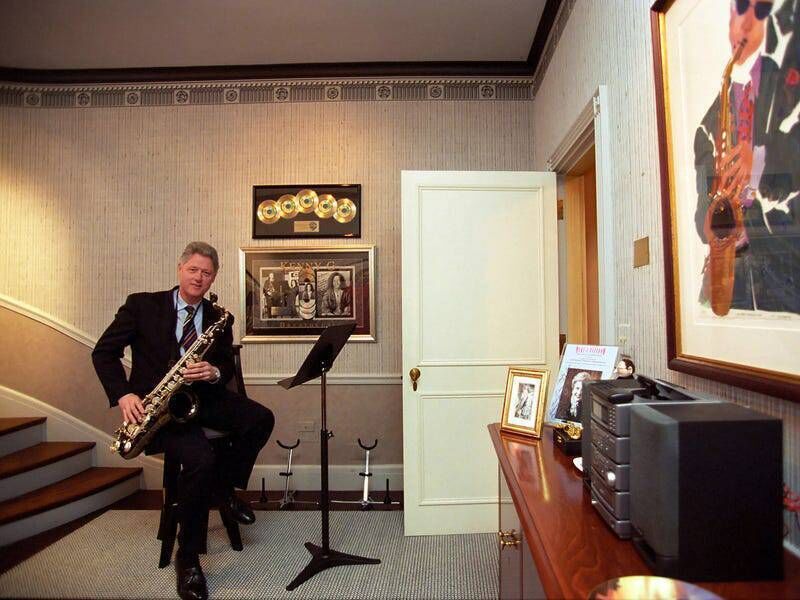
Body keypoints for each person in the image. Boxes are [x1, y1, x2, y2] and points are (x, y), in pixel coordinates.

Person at [92, 242, 275, 600]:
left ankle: (224, 489)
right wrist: (124, 395)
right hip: (161, 411)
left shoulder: (220, 317)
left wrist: (213, 371)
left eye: (207, 273)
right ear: (179, 269)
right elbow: (103, 352)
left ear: (213, 278)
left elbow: (222, 367)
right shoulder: (141, 305)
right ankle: (188, 557)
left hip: (202, 399)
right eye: (194, 269)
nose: (199, 278)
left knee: (261, 418)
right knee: (200, 460)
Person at [694, 0, 800, 315]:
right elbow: (702, 221)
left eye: (762, 10)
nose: (749, 21)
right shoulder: (706, 126)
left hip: (784, 276)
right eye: (742, 7)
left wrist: (760, 160)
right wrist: (720, 200)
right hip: (730, 281)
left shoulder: (788, 85)